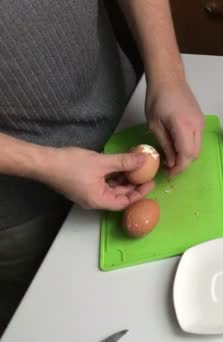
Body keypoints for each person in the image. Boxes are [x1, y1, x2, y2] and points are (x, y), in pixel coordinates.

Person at [0, 0, 204, 335]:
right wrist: (44, 163)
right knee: (55, 325)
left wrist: (169, 75)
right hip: (19, 205)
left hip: (120, 116)